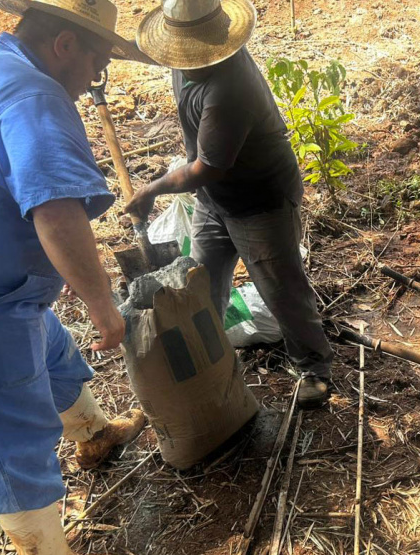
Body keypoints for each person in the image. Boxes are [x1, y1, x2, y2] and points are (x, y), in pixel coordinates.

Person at [0, 1, 153, 552]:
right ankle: (41, 544)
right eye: (96, 63)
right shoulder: (34, 95)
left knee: (51, 351)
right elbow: (55, 210)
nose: (95, 80)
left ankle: (92, 435)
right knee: (8, 441)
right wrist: (101, 303)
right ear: (65, 45)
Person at [126, 0, 335, 408]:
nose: (178, 60)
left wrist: (151, 189)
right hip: (213, 201)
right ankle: (209, 356)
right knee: (202, 280)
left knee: (281, 289)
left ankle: (314, 367)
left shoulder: (228, 88)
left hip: (260, 201)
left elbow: (206, 169)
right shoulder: (185, 60)